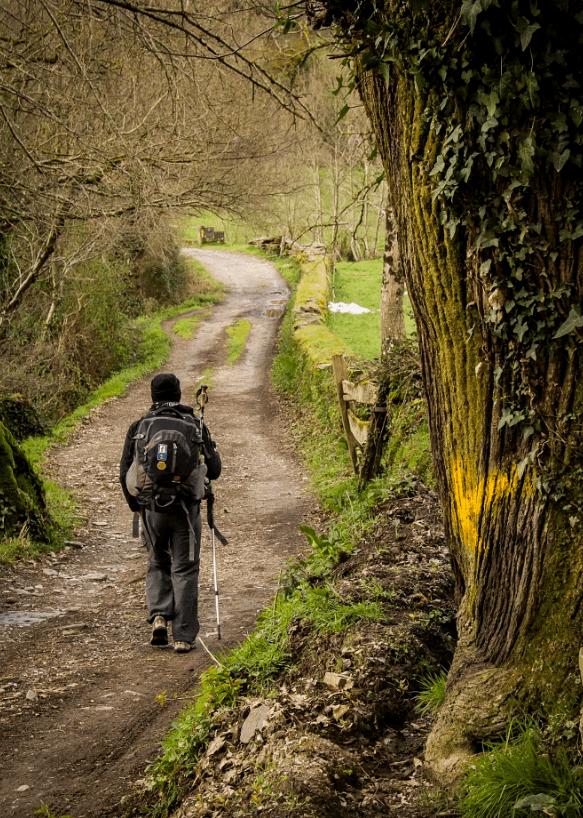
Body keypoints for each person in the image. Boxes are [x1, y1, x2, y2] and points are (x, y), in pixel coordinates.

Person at [119, 373, 221, 653]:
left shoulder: (139, 426)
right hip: (186, 509)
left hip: (151, 508)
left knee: (157, 561)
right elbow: (215, 470)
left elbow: (123, 470)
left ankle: (160, 617)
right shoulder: (194, 424)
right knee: (185, 568)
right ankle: (184, 636)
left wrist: (137, 505)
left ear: (152, 396)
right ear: (178, 394)